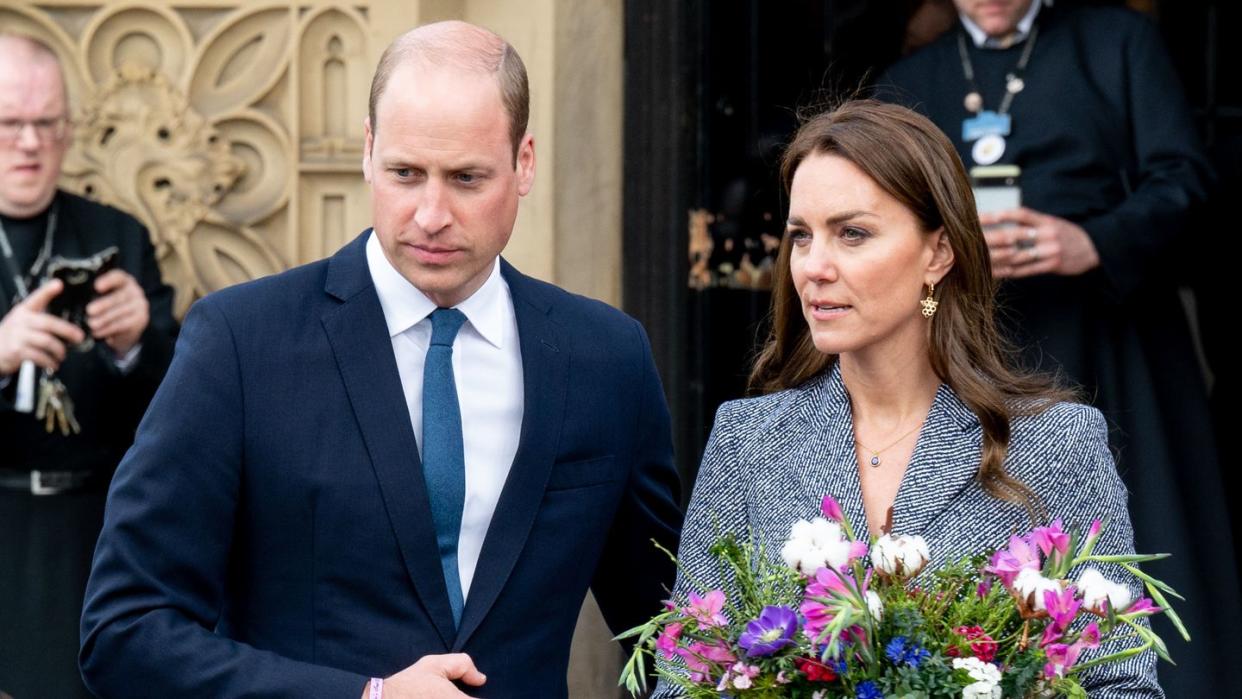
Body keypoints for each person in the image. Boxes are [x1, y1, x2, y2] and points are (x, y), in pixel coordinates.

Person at [79, 20, 682, 699]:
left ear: (525, 164)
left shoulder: (606, 358)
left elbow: (678, 642)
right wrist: (369, 696)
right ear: (367, 152)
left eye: (465, 178)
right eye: (404, 173)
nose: (430, 213)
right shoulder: (241, 343)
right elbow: (125, 631)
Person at [654, 101, 1159, 696]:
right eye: (800, 237)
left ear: (938, 253)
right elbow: (685, 678)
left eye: (853, 234)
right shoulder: (746, 439)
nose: (814, 266)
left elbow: (1119, 684)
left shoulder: (1055, 443)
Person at [875, 2, 1239, 694]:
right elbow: (878, 214)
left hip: (1110, 340)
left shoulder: (1117, 42)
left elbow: (1186, 181)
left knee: (1142, 527)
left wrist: (1095, 240)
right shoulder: (910, 80)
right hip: (967, 349)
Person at [0, 33, 177, 699]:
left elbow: (181, 409)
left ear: (69, 129)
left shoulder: (118, 235)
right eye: (10, 124)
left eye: (47, 123)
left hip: (96, 534)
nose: (29, 143)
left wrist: (136, 342)